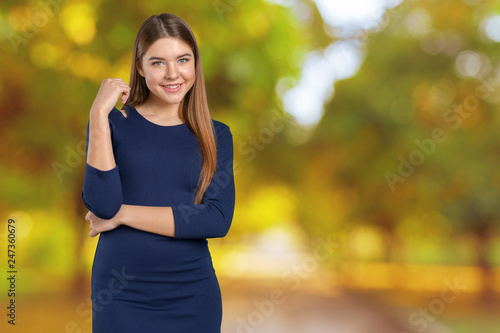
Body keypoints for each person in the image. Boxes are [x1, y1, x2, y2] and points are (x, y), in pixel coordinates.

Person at [81, 12, 235, 332]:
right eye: (157, 62)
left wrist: (124, 215)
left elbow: (216, 219)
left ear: (195, 63)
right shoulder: (112, 124)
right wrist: (98, 114)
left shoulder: (216, 134)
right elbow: (103, 205)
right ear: (140, 67)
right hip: (121, 297)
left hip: (193, 296)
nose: (173, 73)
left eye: (183, 59)